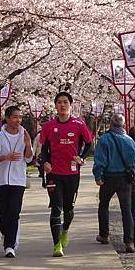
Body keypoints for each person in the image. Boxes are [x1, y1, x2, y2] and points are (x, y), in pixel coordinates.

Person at [40, 91, 93, 257]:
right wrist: (45, 162)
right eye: (59, 102)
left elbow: (89, 143)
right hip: (54, 174)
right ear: (55, 106)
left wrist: (81, 158)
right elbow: (43, 149)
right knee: (56, 208)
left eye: (65, 102)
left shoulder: (79, 124)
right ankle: (57, 245)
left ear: (70, 105)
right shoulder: (48, 126)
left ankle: (65, 231)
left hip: (72, 173)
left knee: (68, 208)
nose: (62, 105)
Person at [0, 105, 33, 258]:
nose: (18, 120)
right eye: (15, 117)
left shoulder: (24, 135)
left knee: (14, 212)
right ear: (7, 118)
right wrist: (6, 157)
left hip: (18, 179)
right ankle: (6, 233)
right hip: (1, 179)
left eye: (20, 117)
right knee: (4, 212)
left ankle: (10, 246)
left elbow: (28, 158)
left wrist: (28, 144)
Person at [93, 113, 135, 253]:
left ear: (111, 124)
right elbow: (133, 161)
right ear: (123, 125)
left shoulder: (104, 139)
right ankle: (129, 241)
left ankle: (104, 234)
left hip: (109, 177)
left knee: (104, 205)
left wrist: (98, 176)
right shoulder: (130, 140)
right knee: (126, 210)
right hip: (125, 178)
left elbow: (100, 161)